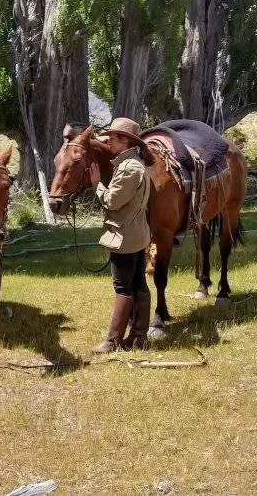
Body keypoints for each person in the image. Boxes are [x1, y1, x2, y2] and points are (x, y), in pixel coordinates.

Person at [89, 117, 152, 352]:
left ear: (125, 141)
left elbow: (113, 201)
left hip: (124, 237)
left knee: (123, 287)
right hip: (135, 235)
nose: (108, 141)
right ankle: (138, 337)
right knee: (138, 284)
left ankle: (112, 340)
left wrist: (98, 184)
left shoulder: (128, 168)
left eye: (113, 138)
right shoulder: (135, 164)